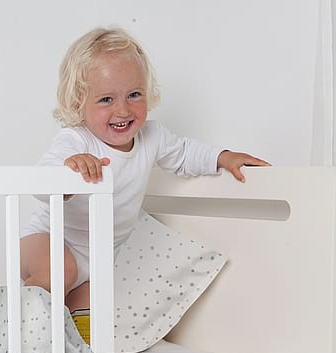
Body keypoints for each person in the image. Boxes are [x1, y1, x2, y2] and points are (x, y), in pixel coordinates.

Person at [20, 26, 270, 312]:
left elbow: (185, 154)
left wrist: (223, 157)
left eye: (134, 94)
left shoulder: (152, 137)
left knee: (95, 311)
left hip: (101, 258)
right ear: (79, 102)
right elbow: (41, 182)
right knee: (60, 272)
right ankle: (21, 327)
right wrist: (68, 174)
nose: (123, 110)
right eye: (106, 99)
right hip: (49, 241)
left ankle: (63, 336)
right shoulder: (76, 140)